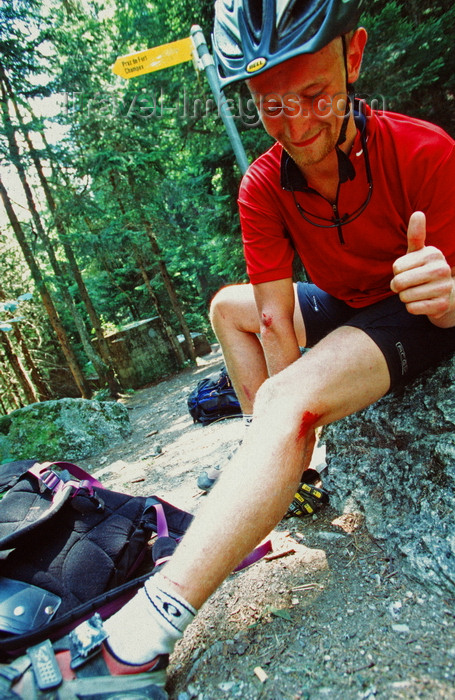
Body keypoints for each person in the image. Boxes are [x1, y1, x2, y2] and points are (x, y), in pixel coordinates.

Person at [5, 0, 455, 696]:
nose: (296, 124)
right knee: (229, 309)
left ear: (354, 56)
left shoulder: (423, 150)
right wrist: (284, 426)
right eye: (270, 105)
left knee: (290, 397)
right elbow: (272, 320)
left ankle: (133, 648)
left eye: (313, 95)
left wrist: (446, 293)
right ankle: (281, 471)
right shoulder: (264, 185)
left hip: (417, 311)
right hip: (344, 301)